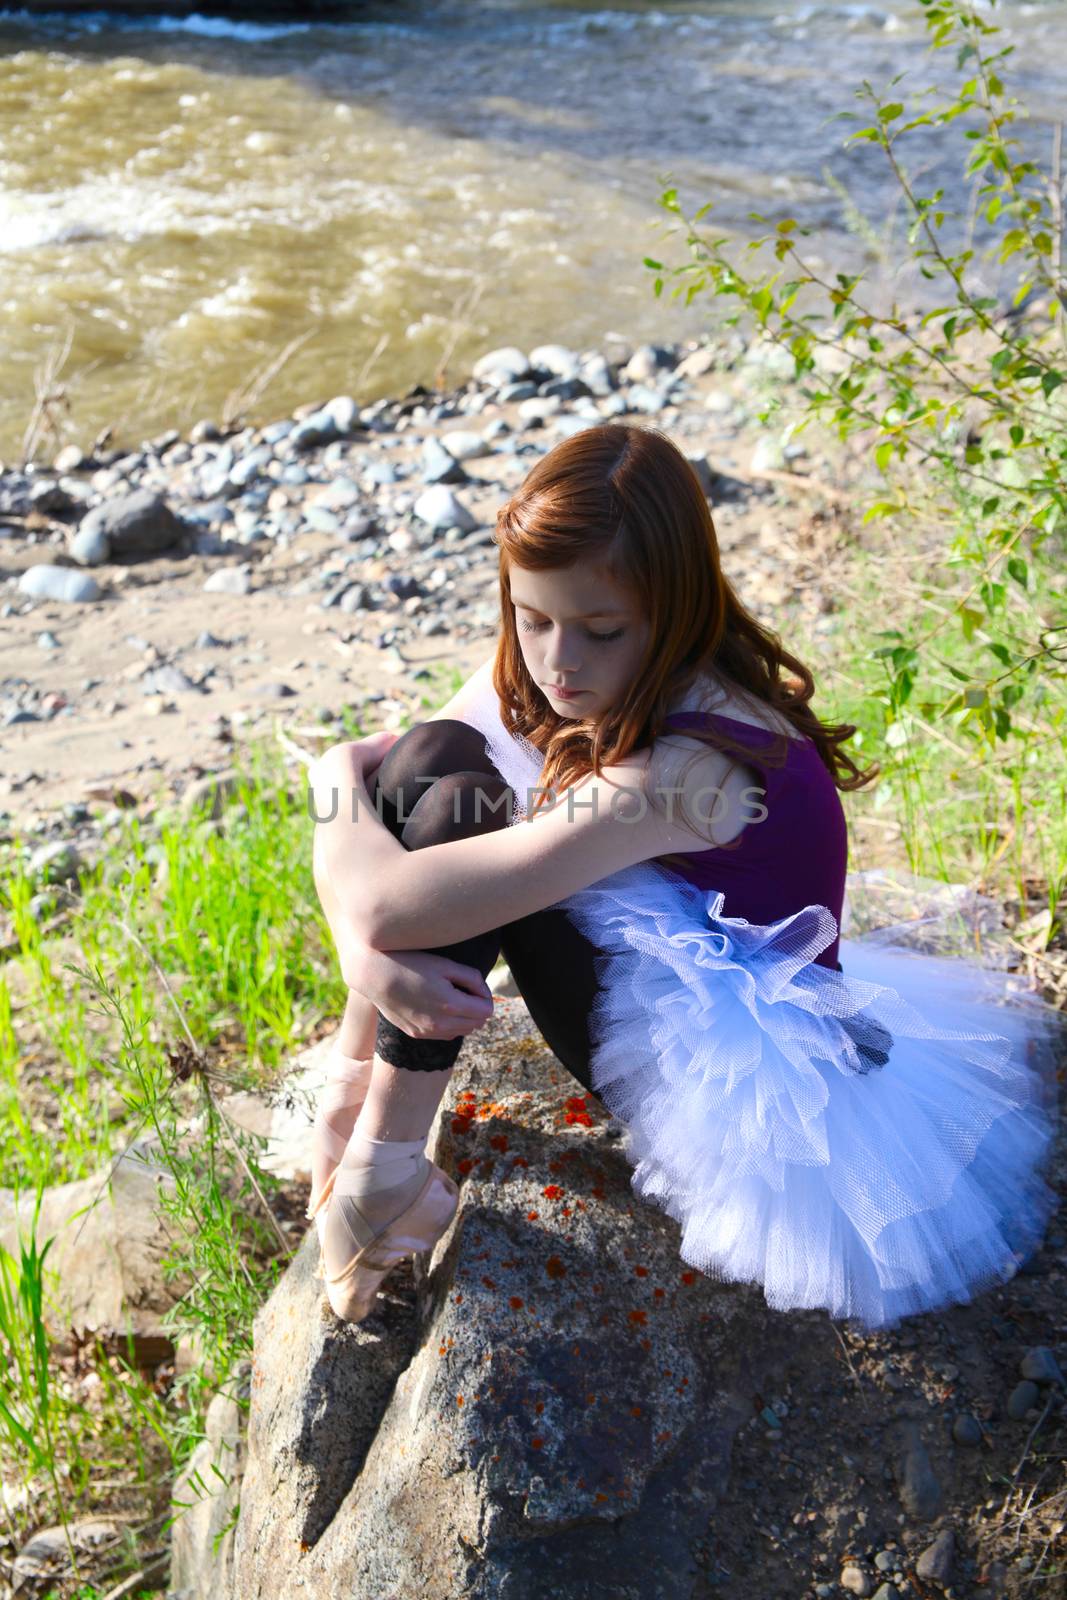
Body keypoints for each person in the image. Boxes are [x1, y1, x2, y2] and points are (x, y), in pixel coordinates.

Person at [307, 422, 1061, 1330]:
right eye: (531, 618)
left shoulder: (689, 772)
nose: (558, 661)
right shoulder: (577, 651)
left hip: (730, 1078)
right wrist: (334, 805)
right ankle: (357, 1124)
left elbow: (388, 897)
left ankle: (380, 1174)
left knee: (461, 834)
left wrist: (365, 940)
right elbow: (396, 762)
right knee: (441, 764)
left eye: (598, 629)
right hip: (670, 958)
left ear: (673, 607)